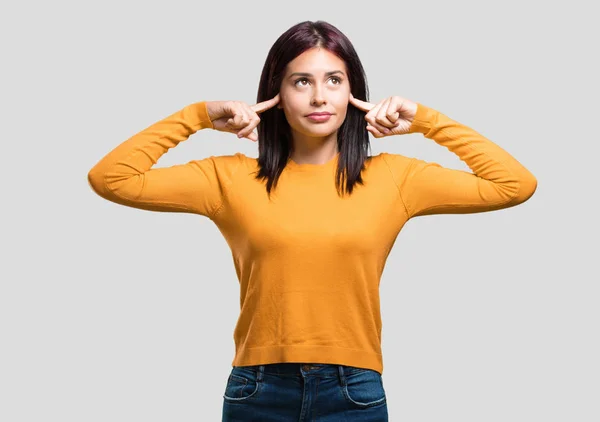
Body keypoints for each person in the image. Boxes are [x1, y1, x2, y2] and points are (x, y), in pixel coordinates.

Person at [87, 19, 537, 422]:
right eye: (301, 81)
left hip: (354, 390)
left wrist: (425, 120)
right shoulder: (227, 177)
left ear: (352, 92)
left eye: (334, 81)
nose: (319, 96)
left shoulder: (396, 177)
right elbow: (111, 179)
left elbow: (513, 185)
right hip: (257, 388)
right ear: (277, 96)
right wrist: (198, 116)